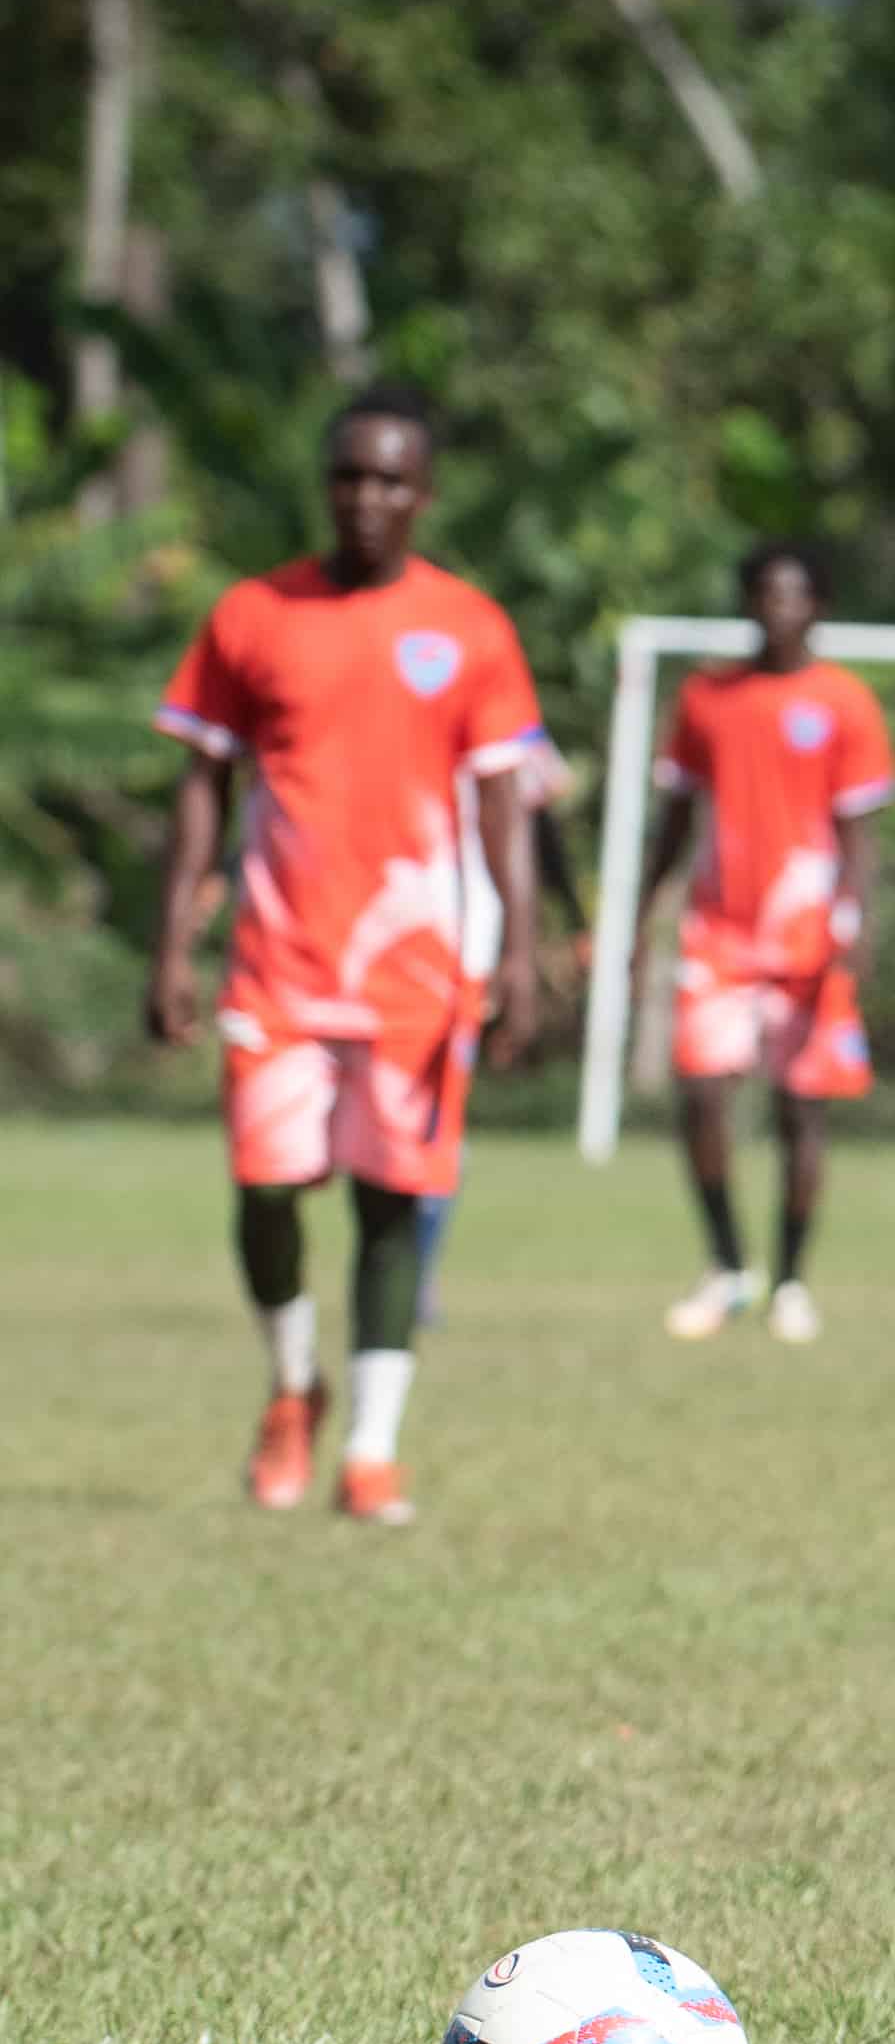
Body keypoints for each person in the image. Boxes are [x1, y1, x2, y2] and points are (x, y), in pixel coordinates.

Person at [144, 384, 545, 1524]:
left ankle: (371, 1448)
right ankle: (291, 1385)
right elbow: (201, 789)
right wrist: (173, 941)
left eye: (390, 480)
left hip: (416, 980)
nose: (366, 498)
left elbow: (505, 805)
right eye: (348, 477)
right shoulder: (252, 615)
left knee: (388, 1205)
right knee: (268, 1190)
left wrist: (517, 953)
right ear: (327, 485)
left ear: (424, 493)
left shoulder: (470, 627)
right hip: (276, 964)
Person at [642, 543, 892, 1346]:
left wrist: (856, 920)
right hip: (718, 931)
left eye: (793, 595)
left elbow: (858, 832)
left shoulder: (845, 702)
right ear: (746, 602)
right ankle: (727, 1267)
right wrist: (646, 904)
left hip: (806, 933)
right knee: (703, 1095)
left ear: (818, 605)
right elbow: (677, 816)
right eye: (763, 595)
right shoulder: (707, 698)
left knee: (799, 1110)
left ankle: (789, 1280)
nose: (777, 609)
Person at [414, 732, 585, 1327]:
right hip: (369, 937)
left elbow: (540, 832)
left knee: (435, 1123)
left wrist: (559, 925)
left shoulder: (506, 722)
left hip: (464, 950)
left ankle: (415, 1272)